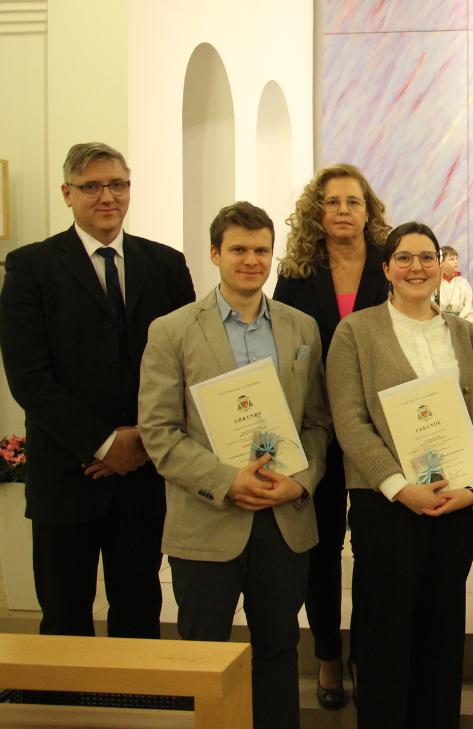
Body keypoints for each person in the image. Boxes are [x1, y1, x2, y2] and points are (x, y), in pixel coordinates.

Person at [138, 202, 331, 729]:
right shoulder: (172, 331)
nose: (251, 260)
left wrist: (299, 484)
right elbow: (159, 433)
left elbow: (318, 423)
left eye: (261, 250)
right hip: (207, 521)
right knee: (202, 657)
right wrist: (227, 480)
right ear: (215, 253)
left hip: (284, 521)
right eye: (239, 250)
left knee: (278, 651)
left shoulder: (302, 327)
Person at [0, 142, 195, 639]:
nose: (107, 196)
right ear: (67, 194)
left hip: (143, 478)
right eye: (91, 187)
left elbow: (187, 368)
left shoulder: (167, 265)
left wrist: (143, 443)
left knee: (138, 610)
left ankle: (137, 713)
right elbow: (29, 378)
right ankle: (68, 715)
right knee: (64, 616)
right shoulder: (30, 269)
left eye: (117, 185)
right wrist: (107, 443)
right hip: (68, 473)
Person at [328, 222, 473, 729]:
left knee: (441, 633)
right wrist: (400, 487)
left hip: (454, 505)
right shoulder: (355, 332)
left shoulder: (464, 334)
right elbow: (349, 420)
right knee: (384, 636)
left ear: (441, 268)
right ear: (385, 269)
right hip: (386, 506)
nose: (417, 267)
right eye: (404, 258)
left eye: (427, 257)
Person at [272, 163, 391, 709]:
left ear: (369, 211)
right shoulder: (297, 273)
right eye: (332, 201)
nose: (342, 210)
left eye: (353, 201)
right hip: (315, 426)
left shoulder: (391, 266)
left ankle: (369, 653)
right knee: (319, 548)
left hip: (375, 426)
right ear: (315, 212)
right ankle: (326, 654)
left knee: (374, 547)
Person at [437, 245, 473, 318]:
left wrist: (459, 323)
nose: (456, 262)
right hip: (440, 321)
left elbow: (468, 307)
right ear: (441, 262)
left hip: (460, 321)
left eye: (456, 259)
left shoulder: (463, 283)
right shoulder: (436, 283)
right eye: (451, 259)